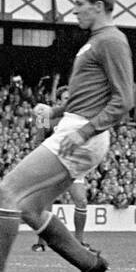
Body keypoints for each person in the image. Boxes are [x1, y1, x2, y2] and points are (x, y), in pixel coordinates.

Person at [0, 0, 134, 272]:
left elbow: (124, 101)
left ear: (99, 6)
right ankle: (90, 265)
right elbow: (85, 100)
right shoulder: (96, 42)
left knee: (8, 190)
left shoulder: (111, 41)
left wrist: (82, 131)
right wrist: (54, 111)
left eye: (79, 4)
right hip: (76, 130)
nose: (74, 10)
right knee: (29, 210)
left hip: (81, 135)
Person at [33, 87, 90, 251]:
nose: (69, 101)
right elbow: (38, 140)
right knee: (47, 202)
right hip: (53, 162)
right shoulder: (45, 116)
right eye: (66, 98)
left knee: (81, 200)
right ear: (58, 101)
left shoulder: (79, 118)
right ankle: (41, 242)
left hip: (73, 164)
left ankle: (79, 242)